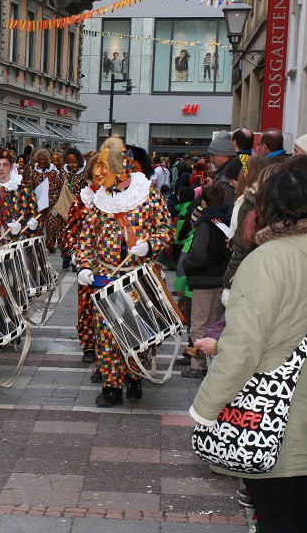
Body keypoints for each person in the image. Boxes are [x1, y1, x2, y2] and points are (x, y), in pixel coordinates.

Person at [189, 169, 307, 533]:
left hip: (279, 418)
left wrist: (204, 408)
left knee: (276, 519)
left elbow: (242, 346)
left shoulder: (269, 259)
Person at [76, 136, 174, 407]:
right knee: (106, 334)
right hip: (105, 277)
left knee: (137, 332)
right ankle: (111, 387)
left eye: (104, 169)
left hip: (138, 277)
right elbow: (86, 236)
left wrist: (151, 245)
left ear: (120, 170)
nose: (99, 175)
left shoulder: (148, 195)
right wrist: (84, 264)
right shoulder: (100, 200)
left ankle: (134, 378)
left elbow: (166, 230)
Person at [181, 184, 230, 378]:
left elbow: (198, 254)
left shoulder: (205, 223)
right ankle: (209, 361)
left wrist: (187, 264)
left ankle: (199, 364)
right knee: (213, 322)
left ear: (203, 202)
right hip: (220, 277)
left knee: (199, 324)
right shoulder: (224, 221)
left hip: (203, 279)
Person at [65, 158, 100, 367]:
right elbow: (70, 230)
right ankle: (88, 345)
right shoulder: (82, 200)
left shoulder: (121, 200)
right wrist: (75, 253)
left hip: (112, 265)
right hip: (88, 265)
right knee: (86, 307)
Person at [22, 148, 61, 252]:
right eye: (40, 159)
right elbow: (29, 187)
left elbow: (58, 188)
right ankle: (38, 246)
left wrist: (55, 203)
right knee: (37, 227)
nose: (42, 162)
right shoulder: (33, 173)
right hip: (37, 205)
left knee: (51, 225)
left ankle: (50, 244)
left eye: (44, 159)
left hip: (50, 204)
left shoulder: (54, 173)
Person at [59, 148, 87, 270]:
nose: (72, 164)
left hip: (77, 209)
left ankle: (74, 258)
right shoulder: (63, 173)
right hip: (63, 207)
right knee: (62, 233)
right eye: (69, 162)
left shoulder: (83, 174)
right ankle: (65, 256)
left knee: (76, 233)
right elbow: (56, 189)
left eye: (74, 161)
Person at [206, 131, 241, 206]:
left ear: (224, 155)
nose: (211, 159)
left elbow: (224, 206)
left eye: (213, 155)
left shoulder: (227, 178)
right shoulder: (227, 172)